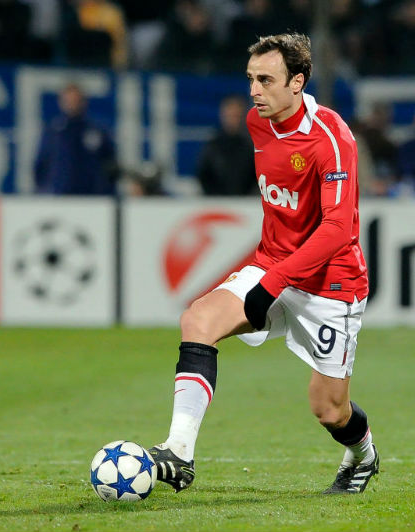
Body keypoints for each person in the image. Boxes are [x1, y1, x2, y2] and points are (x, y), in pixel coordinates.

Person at [148, 33, 379, 495]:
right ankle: (179, 452)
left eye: (266, 80)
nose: (254, 91)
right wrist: (271, 276)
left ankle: (364, 455)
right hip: (271, 264)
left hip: (330, 284)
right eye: (251, 79)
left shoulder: (331, 137)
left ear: (298, 82)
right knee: (197, 320)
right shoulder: (258, 122)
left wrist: (275, 281)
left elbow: (338, 229)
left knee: (329, 410)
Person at [33, 83, 117, 195]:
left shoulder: (97, 131)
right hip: (60, 196)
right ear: (61, 102)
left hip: (91, 197)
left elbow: (111, 165)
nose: (72, 104)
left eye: (76, 100)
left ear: (84, 101)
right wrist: (46, 190)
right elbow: (40, 165)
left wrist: (105, 191)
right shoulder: (53, 132)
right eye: (69, 101)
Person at [196, 95, 256, 196]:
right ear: (222, 115)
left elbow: (256, 177)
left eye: (236, 115)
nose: (233, 119)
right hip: (216, 200)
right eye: (230, 115)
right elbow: (203, 175)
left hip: (246, 201)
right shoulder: (212, 147)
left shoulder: (251, 147)